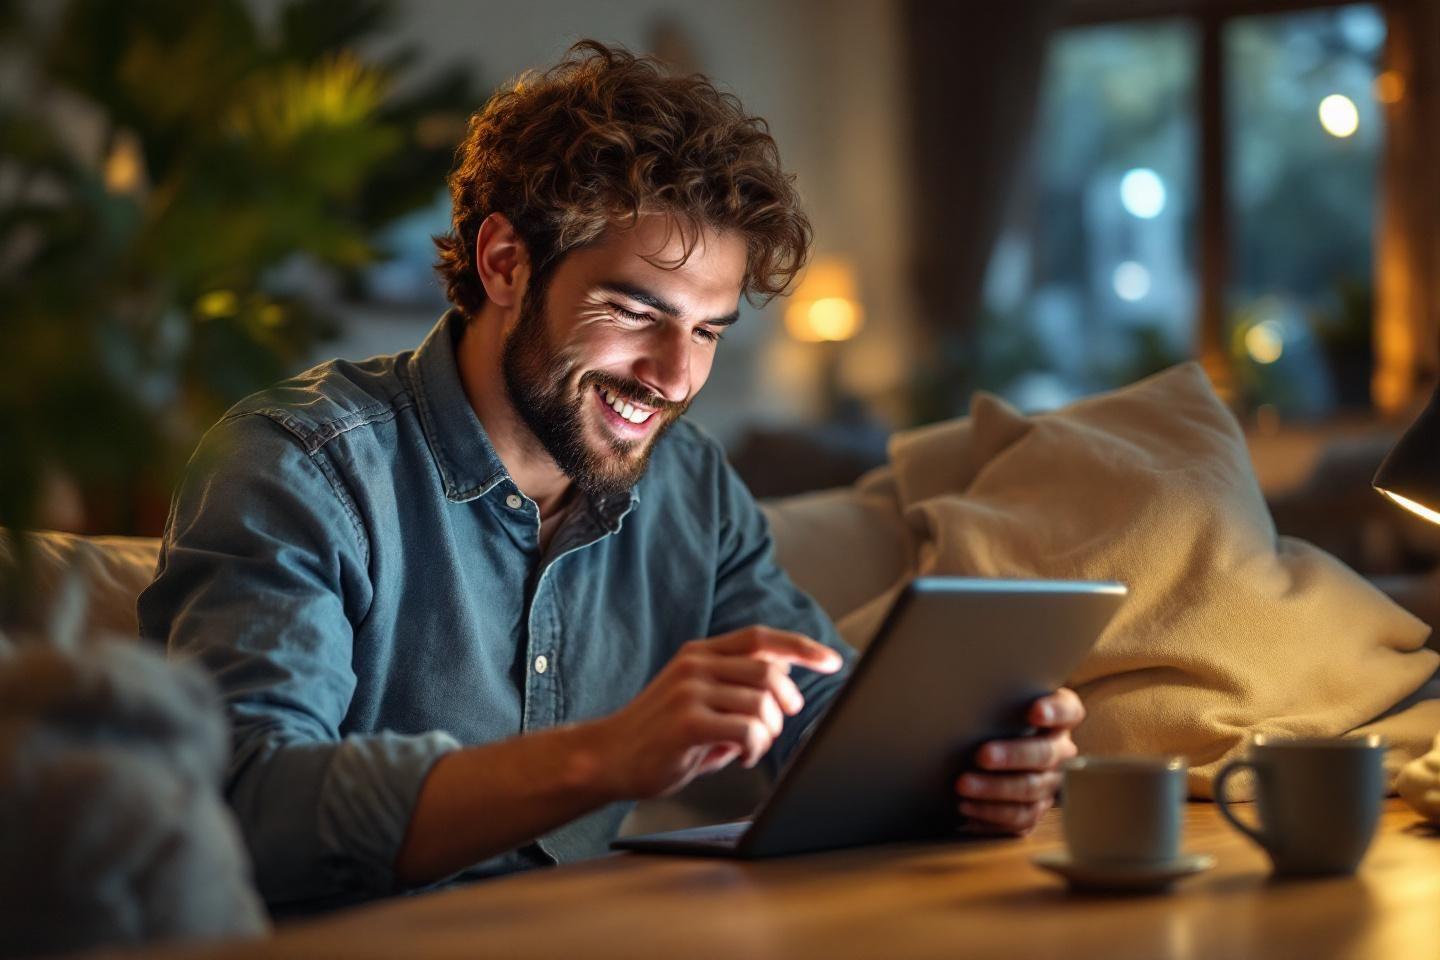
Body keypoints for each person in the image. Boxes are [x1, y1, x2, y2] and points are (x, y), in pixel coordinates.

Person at [138, 40, 1083, 907]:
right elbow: (248, 808)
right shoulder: (299, 467)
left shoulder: (690, 486)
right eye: (636, 313)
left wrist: (971, 770)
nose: (674, 378)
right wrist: (603, 757)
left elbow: (820, 721)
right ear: (504, 263)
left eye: (707, 331)